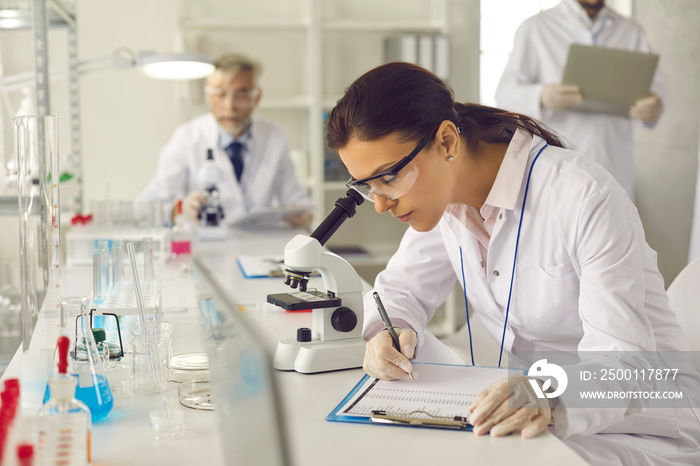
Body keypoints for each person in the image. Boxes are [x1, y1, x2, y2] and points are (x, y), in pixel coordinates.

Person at [325, 61, 699, 465]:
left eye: (389, 177)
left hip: (643, 424)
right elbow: (400, 291)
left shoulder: (582, 198)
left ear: (447, 142)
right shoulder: (439, 198)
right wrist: (388, 330)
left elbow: (623, 366)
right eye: (367, 187)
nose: (380, 204)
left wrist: (549, 393)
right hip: (532, 417)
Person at [494, 0, 665, 201]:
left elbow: (656, 90)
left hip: (614, 168)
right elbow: (504, 95)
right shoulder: (535, 28)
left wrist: (656, 106)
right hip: (556, 171)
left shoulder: (632, 32)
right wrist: (541, 96)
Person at [137, 54, 313, 229]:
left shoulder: (275, 136)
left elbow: (296, 201)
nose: (229, 106)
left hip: (259, 244)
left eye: (241, 95)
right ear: (208, 96)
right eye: (220, 94)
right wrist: (179, 210)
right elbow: (145, 208)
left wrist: (303, 216)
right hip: (206, 246)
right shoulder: (186, 137)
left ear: (256, 97)